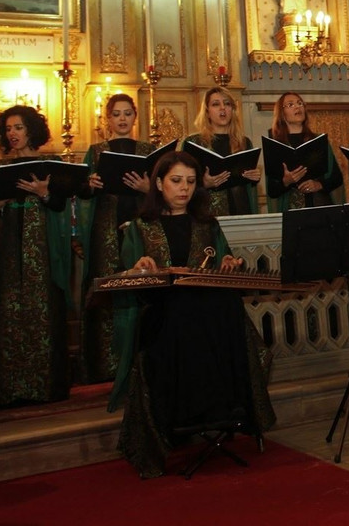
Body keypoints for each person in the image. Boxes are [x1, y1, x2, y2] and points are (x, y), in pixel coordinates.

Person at [109, 151, 275, 478]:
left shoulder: (207, 224)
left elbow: (224, 261)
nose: (183, 188)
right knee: (168, 330)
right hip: (165, 314)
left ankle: (220, 416)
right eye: (175, 181)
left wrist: (229, 264)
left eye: (190, 181)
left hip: (207, 313)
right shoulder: (140, 227)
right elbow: (127, 276)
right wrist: (140, 268)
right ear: (159, 183)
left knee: (230, 323)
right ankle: (172, 427)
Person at [0, 105, 71, 410]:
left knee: (43, 307)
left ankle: (45, 385)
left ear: (31, 129)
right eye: (8, 129)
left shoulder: (51, 163)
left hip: (42, 245)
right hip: (7, 247)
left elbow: (59, 205)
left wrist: (44, 192)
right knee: (7, 310)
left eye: (18, 127)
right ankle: (8, 390)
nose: (12, 134)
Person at [77, 94, 154, 383]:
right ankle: (106, 364)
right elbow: (82, 192)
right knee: (108, 287)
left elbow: (163, 190)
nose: (122, 119)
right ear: (107, 120)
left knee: (144, 287)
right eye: (116, 114)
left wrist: (148, 188)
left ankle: (145, 357)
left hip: (142, 229)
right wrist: (91, 184)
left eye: (127, 114)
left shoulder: (148, 149)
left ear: (136, 117)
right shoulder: (95, 152)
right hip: (105, 230)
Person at [186, 87, 260, 216]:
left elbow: (248, 184)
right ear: (207, 112)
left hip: (241, 209)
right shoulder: (195, 142)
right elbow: (183, 181)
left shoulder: (243, 142)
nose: (222, 108)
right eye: (216, 104)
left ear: (232, 110)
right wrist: (204, 183)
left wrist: (254, 177)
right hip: (208, 212)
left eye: (227, 104)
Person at [264, 92, 343, 212]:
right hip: (291, 211)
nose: (297, 107)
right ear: (281, 113)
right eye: (290, 104)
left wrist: (319, 185)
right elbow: (272, 191)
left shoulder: (318, 141)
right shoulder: (276, 145)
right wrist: (286, 181)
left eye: (300, 103)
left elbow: (337, 178)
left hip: (320, 207)